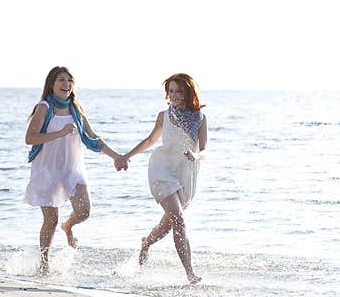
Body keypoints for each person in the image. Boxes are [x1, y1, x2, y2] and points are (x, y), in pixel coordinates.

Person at [24, 66, 127, 273]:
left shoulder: (75, 108)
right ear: (51, 84)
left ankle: (68, 226)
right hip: (48, 169)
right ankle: (44, 264)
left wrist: (117, 156)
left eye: (69, 81)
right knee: (50, 220)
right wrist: (60, 133)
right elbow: (30, 138)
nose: (66, 85)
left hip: (72, 169)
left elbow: (92, 138)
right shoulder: (44, 107)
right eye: (61, 80)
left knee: (84, 211)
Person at [118, 73, 208, 284]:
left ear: (189, 92)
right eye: (172, 91)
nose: (175, 95)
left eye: (180, 91)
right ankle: (190, 274)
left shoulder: (200, 118)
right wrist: (126, 156)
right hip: (162, 170)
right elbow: (150, 140)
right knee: (179, 220)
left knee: (168, 225)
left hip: (186, 173)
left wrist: (196, 155)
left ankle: (146, 243)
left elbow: (205, 150)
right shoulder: (164, 116)